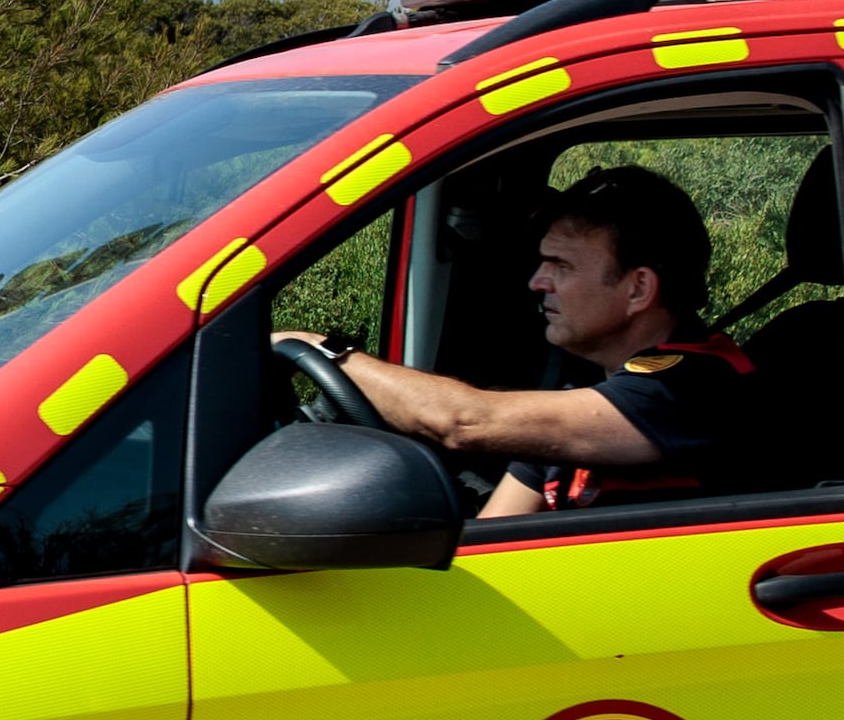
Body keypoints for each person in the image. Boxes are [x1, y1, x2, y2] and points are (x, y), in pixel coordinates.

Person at [285, 165, 761, 519]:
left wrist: (323, 352)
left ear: (638, 288)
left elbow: (466, 422)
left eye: (562, 266)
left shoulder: (691, 387)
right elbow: (494, 535)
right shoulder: (585, 392)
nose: (537, 282)